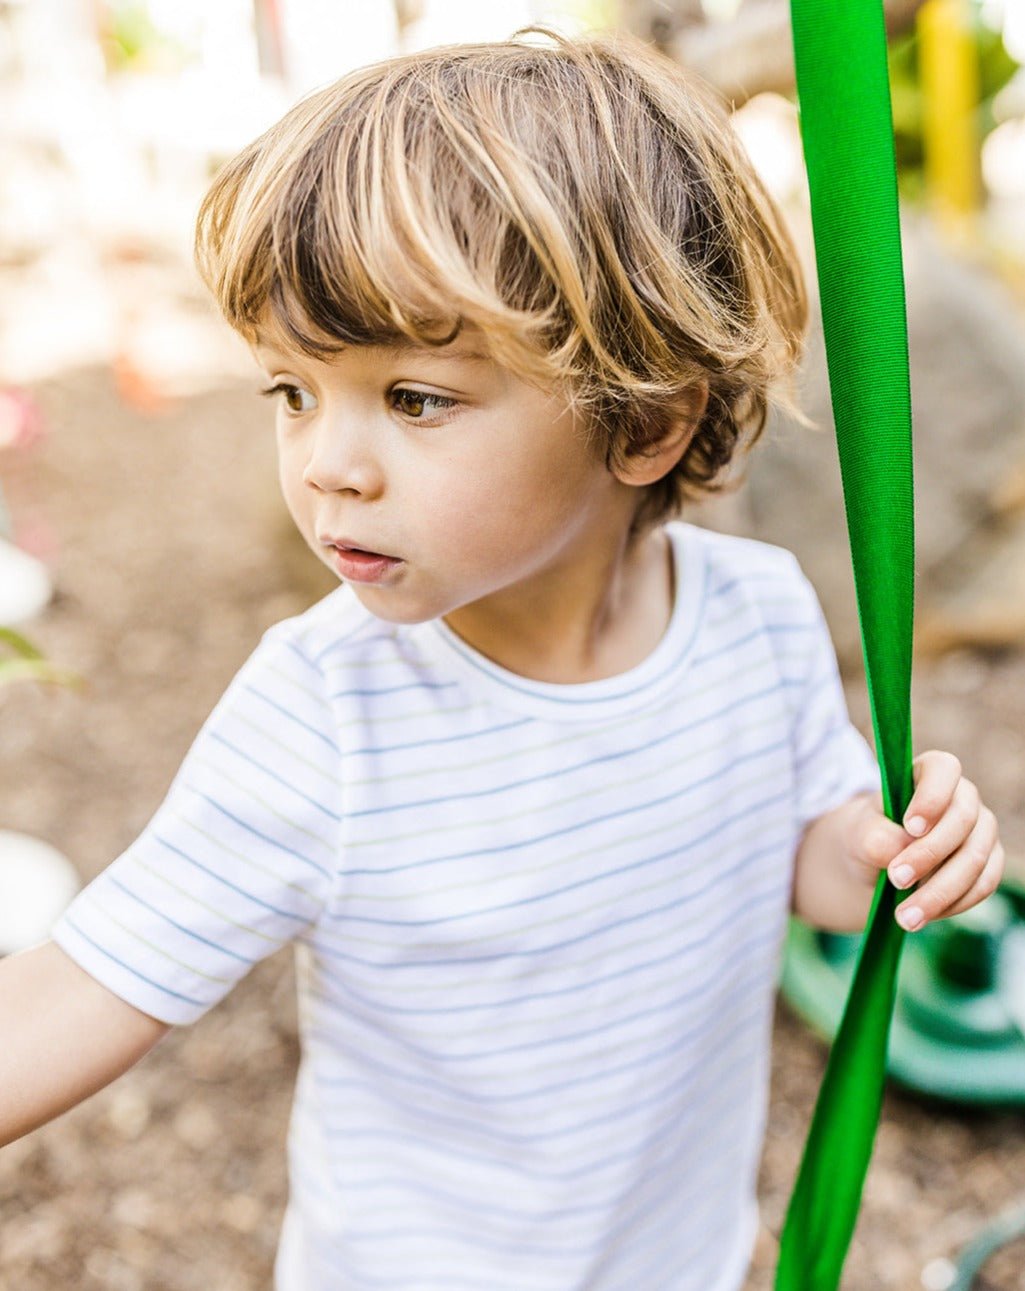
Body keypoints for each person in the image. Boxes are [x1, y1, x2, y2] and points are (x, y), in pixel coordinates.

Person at [0, 26, 1004, 1291]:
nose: (325, 463)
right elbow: (77, 989)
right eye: (292, 391)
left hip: (675, 1257)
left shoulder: (755, 615)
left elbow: (804, 860)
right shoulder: (326, 715)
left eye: (412, 398)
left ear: (643, 422)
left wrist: (884, 855)